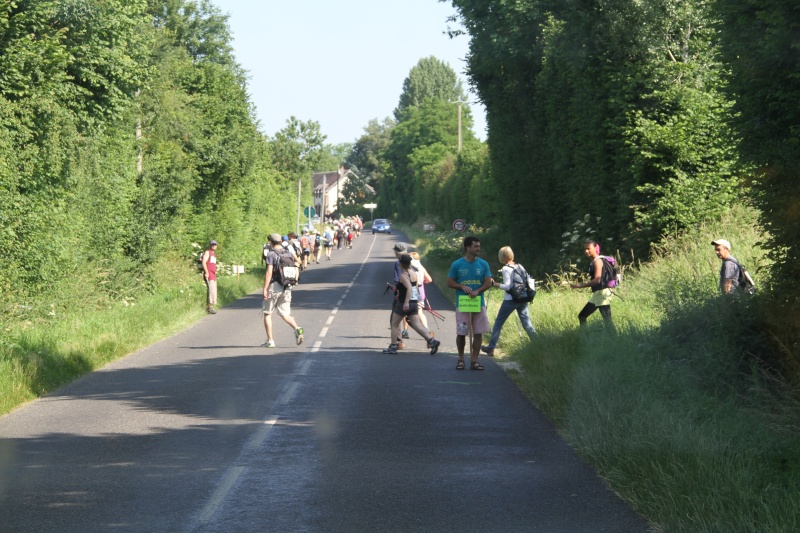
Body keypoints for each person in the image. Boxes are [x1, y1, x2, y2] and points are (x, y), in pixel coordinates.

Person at [446, 236, 493, 370]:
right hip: (463, 303)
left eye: (479, 246)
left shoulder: (483, 264)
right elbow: (449, 282)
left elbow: (488, 282)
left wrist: (477, 290)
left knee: (478, 332)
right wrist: (461, 287)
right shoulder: (457, 264)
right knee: (461, 332)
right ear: (468, 248)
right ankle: (461, 359)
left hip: (478, 302)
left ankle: (475, 360)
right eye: (475, 246)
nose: (478, 248)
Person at [481, 246, 537, 356]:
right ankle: (539, 343)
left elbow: (507, 287)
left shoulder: (506, 269)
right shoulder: (520, 266)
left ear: (501, 256)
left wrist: (495, 284)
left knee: (498, 323)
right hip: (523, 298)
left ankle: (491, 347)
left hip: (510, 300)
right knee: (527, 324)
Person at [383, 254, 441, 355]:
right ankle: (432, 340)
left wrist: (405, 302)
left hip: (403, 303)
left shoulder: (403, 275)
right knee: (417, 324)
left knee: (394, 324)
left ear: (401, 264)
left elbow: (409, 288)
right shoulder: (414, 273)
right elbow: (417, 286)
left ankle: (393, 346)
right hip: (414, 302)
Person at [262, 233, 304, 348]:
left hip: (275, 286)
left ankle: (270, 340)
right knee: (285, 314)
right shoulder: (288, 253)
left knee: (267, 313)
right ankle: (297, 328)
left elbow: (269, 272)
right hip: (286, 286)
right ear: (281, 241)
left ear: (271, 242)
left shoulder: (271, 254)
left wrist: (265, 289)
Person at [570, 240, 614, 329]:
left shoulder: (597, 261)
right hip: (598, 294)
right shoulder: (595, 261)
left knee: (607, 321)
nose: (586, 251)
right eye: (585, 249)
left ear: (595, 248)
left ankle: (615, 340)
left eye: (588, 249)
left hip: (602, 293)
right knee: (582, 316)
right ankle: (586, 337)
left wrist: (580, 285)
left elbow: (597, 280)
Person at [409, 251, 435, 337]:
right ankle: (426, 328)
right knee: (420, 312)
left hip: (413, 290)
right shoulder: (421, 267)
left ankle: (405, 331)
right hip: (421, 290)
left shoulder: (410, 268)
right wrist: (423, 280)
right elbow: (429, 280)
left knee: (408, 312)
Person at [201, 240, 219, 314]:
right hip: (209, 274)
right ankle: (209, 307)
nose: (214, 246)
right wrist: (207, 272)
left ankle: (211, 306)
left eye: (215, 245)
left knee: (214, 290)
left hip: (213, 274)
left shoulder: (213, 254)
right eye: (212, 245)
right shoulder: (207, 252)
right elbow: (204, 262)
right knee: (211, 290)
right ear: (210, 245)